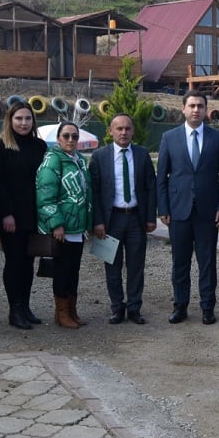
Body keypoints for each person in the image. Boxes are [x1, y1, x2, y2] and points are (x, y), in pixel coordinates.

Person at [156, 90, 219, 325]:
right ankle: (180, 306)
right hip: (178, 210)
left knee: (207, 262)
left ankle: (207, 307)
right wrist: (163, 208)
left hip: (208, 212)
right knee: (180, 262)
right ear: (183, 108)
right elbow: (162, 176)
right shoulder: (169, 137)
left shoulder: (217, 138)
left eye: (200, 105)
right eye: (192, 105)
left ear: (205, 109)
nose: (196, 110)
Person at [90, 113, 156, 325]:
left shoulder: (142, 154)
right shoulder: (99, 156)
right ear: (110, 131)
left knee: (136, 266)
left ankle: (134, 308)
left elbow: (150, 187)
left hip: (136, 218)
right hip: (110, 220)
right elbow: (94, 191)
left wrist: (150, 217)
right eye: (119, 128)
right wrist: (97, 221)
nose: (123, 132)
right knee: (112, 265)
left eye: (127, 128)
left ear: (133, 131)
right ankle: (117, 307)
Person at [0, 102, 48, 329]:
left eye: (27, 119)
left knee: (28, 262)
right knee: (14, 262)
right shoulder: (0, 147)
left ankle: (25, 305)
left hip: (34, 214)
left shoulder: (39, 146)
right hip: (11, 217)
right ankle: (14, 310)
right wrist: (5, 214)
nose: (23, 123)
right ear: (10, 120)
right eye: (19, 119)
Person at [37, 121, 93, 329]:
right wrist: (56, 223)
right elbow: (45, 193)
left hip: (77, 226)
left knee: (74, 270)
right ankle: (61, 313)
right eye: (66, 136)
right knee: (62, 270)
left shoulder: (78, 160)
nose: (71, 140)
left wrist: (88, 222)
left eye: (74, 136)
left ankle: (71, 309)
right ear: (59, 138)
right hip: (63, 226)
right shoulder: (52, 160)